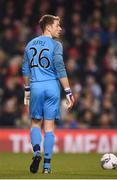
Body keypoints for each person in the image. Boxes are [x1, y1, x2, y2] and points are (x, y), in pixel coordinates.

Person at [22, 14, 75, 174]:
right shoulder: (56, 44)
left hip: (36, 86)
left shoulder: (29, 45)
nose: (60, 28)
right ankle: (46, 167)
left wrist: (26, 90)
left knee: (35, 124)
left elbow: (25, 70)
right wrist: (68, 91)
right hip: (52, 86)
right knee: (49, 128)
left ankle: (37, 151)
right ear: (48, 27)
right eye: (57, 25)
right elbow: (60, 68)